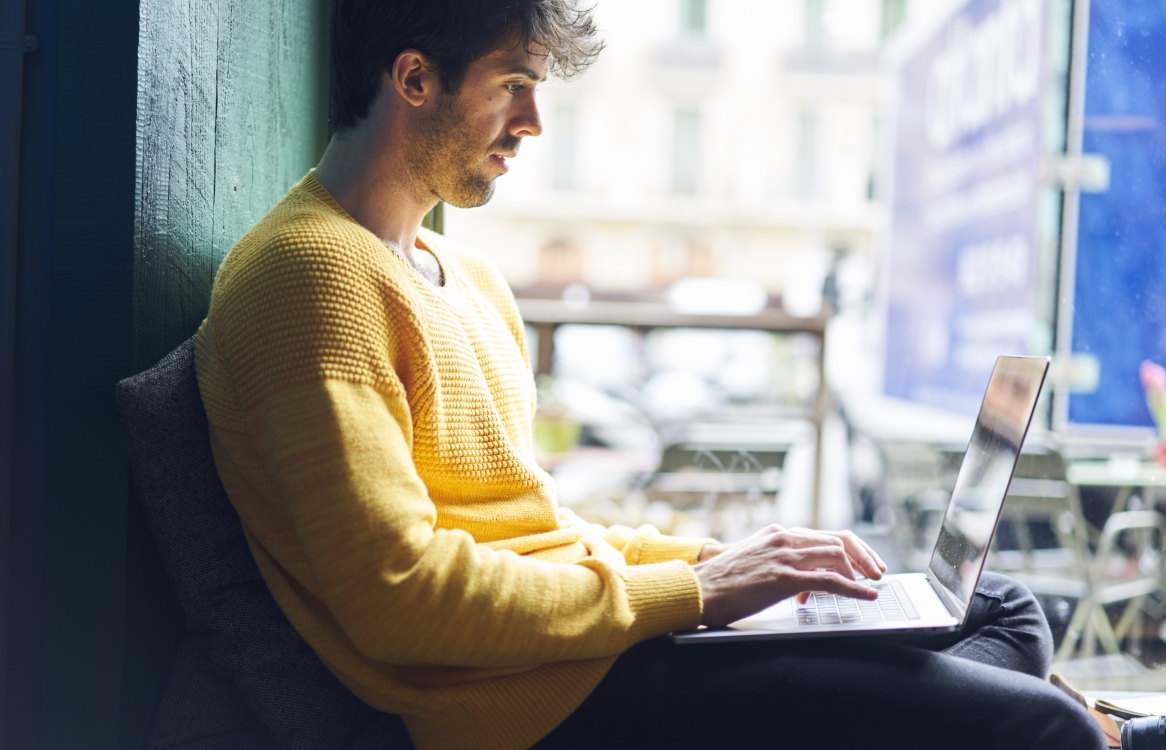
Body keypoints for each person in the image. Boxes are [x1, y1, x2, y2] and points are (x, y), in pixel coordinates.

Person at [194, 1, 1106, 748]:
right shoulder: (308, 275)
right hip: (534, 705)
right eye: (514, 86)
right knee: (1046, 724)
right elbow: (402, 599)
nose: (534, 123)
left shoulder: (463, 275)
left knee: (1007, 615)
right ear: (414, 78)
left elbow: (540, 528)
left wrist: (734, 562)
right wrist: (702, 594)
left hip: (602, 642)